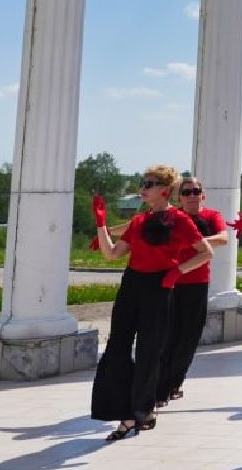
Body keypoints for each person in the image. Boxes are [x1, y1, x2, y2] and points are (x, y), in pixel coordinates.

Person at [91, 165, 215, 442]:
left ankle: (141, 412)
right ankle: (124, 411)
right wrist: (101, 224)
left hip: (159, 287)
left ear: (165, 191)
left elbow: (205, 253)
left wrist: (177, 272)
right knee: (117, 346)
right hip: (131, 285)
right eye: (142, 183)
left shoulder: (179, 220)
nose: (143, 189)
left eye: (149, 184)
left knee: (149, 351)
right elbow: (112, 254)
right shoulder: (138, 221)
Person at [155, 174, 229, 407]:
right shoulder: (172, 217)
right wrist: (106, 230)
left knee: (189, 338)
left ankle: (175, 383)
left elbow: (223, 238)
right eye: (186, 192)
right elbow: (141, 227)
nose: (192, 196)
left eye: (196, 191)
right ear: (179, 198)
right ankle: (161, 388)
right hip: (171, 283)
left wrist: (195, 239)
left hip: (197, 284)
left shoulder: (212, 216)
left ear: (202, 195)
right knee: (168, 337)